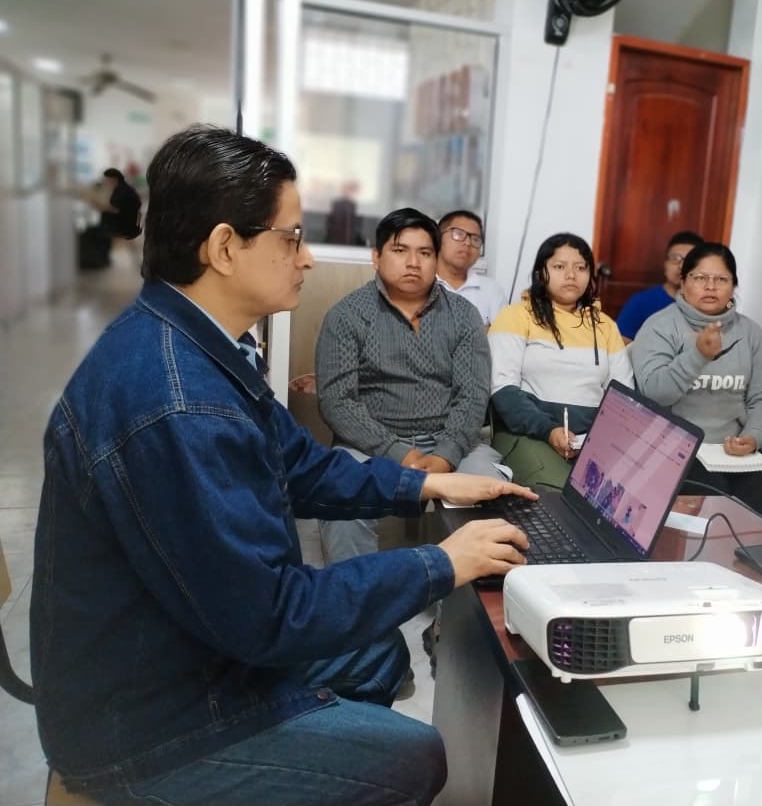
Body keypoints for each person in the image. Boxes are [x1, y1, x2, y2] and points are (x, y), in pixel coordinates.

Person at [30, 125, 534, 806]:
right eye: (292, 238)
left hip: (193, 643)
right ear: (224, 248)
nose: (307, 258)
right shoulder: (178, 401)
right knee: (415, 754)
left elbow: (301, 467)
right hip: (150, 722)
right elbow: (272, 614)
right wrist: (441, 562)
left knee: (380, 652)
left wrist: (425, 484)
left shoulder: (201, 345)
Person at [315, 207, 505, 563]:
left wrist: (446, 454)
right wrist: (398, 452)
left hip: (452, 439)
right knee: (341, 499)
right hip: (369, 442)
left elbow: (472, 395)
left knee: (494, 496)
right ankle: (359, 594)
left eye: (425, 253)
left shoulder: (463, 316)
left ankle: (470, 596)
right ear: (376, 257)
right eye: (400, 250)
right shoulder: (346, 315)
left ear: (436, 259)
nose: (413, 263)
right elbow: (337, 402)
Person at [631, 242, 762, 519]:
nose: (710, 287)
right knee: (712, 497)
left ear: (733, 286)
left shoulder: (751, 333)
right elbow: (654, 393)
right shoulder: (659, 327)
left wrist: (753, 436)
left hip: (733, 453)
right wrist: (698, 356)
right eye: (700, 277)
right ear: (683, 281)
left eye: (721, 279)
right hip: (673, 449)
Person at [488, 233, 632, 488]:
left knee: (625, 494)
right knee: (558, 491)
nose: (571, 275)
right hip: (529, 434)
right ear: (540, 273)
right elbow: (502, 390)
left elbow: (624, 398)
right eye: (559, 266)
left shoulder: (605, 326)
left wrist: (600, 440)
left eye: (581, 268)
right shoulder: (515, 317)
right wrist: (549, 430)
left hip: (591, 441)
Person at [615, 230, 704, 341]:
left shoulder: (707, 304)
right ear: (665, 264)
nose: (681, 266)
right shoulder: (641, 302)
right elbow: (621, 343)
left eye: (689, 261)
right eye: (675, 258)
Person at [435, 209, 506, 326]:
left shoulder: (491, 290)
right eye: (458, 234)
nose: (467, 243)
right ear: (438, 238)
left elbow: (501, 334)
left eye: (475, 239)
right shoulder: (419, 284)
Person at [76, 167, 142, 269]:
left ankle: (101, 260)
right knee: (97, 230)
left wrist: (98, 205)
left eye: (107, 180)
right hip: (122, 222)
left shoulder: (122, 191)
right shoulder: (121, 189)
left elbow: (116, 209)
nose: (105, 182)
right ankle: (103, 259)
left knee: (96, 232)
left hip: (122, 224)